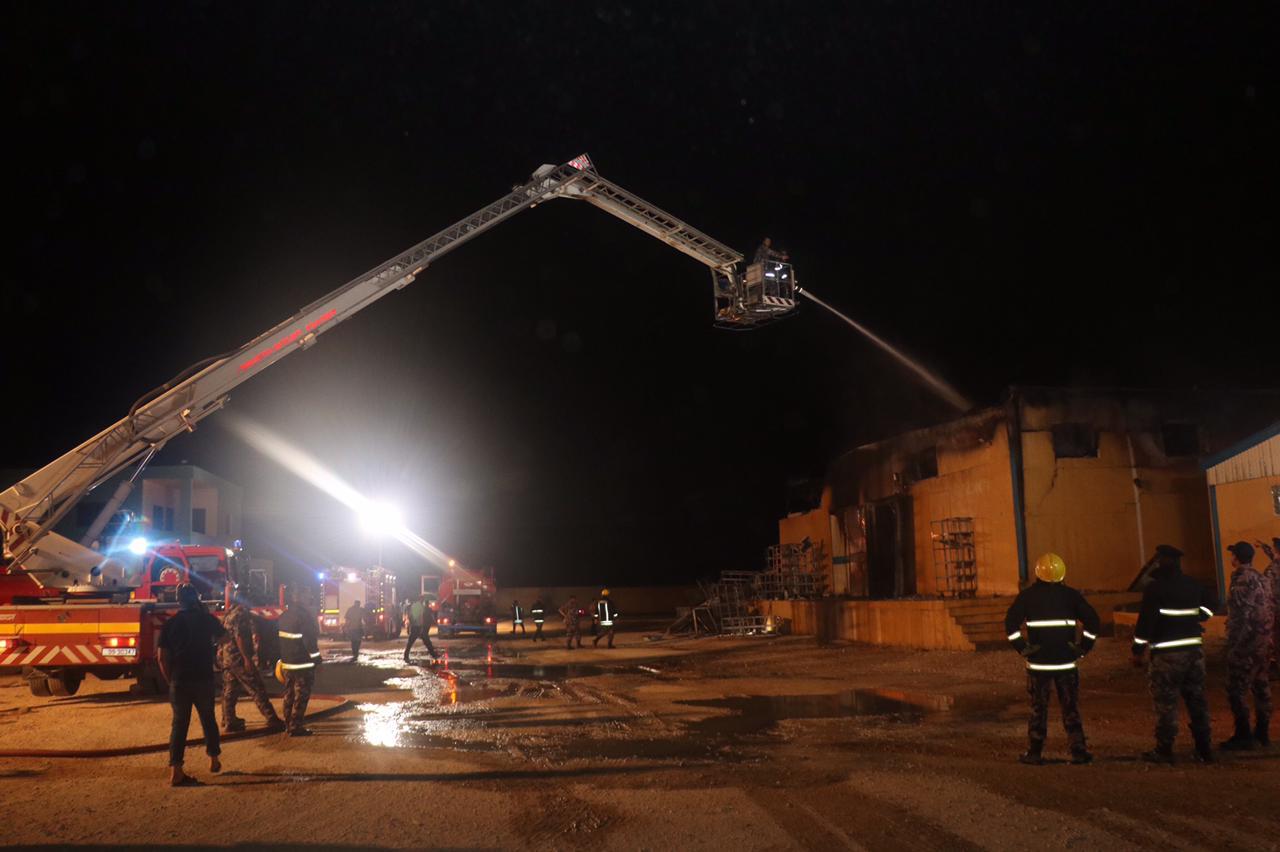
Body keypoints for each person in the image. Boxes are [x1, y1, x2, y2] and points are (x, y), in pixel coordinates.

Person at [1003, 552, 1101, 765]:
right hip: (1066, 663)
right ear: (1062, 574)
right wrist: (1082, 648)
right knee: (1070, 708)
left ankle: (1035, 752)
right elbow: (1093, 622)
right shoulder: (1071, 596)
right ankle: (1079, 751)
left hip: (1039, 664)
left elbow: (1010, 624)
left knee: (1038, 709)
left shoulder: (1027, 597)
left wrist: (1023, 648)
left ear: (1038, 573)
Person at [1130, 544, 1215, 763]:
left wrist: (1137, 650)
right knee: (1197, 701)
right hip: (1194, 653)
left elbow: (1145, 623)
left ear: (1160, 564)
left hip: (1167, 655)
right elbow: (1212, 604)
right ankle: (1204, 748)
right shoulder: (1192, 584)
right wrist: (1198, 616)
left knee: (1166, 703)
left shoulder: (1155, 589)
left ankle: (1164, 749)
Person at [158, 582, 225, 786]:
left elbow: (161, 657)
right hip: (203, 679)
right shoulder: (206, 619)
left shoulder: (170, 624)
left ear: (179, 601)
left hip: (180, 680)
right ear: (196, 599)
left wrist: (171, 680)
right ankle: (214, 759)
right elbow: (226, 637)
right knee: (208, 719)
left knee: (179, 725)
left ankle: (176, 771)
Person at [1221, 542, 1273, 750]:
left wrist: (1237, 646)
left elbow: (1244, 615)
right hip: (1263, 641)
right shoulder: (1261, 577)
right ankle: (1263, 733)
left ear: (1236, 557)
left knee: (1236, 687)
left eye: (1232, 554)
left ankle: (1243, 735)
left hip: (1247, 642)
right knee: (1261, 685)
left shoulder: (1241, 580)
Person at [219, 597, 283, 734]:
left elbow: (222, 635)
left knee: (230, 690)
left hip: (228, 657)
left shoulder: (229, 614)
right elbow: (240, 637)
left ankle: (228, 720)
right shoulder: (241, 614)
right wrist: (246, 658)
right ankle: (271, 718)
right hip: (238, 658)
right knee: (256, 686)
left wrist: (221, 651)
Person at [276, 585, 321, 737]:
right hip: (302, 663)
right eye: (308, 594)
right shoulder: (304, 616)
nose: (310, 597)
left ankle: (288, 723)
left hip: (287, 663)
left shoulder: (284, 616)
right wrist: (317, 659)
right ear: (300, 597)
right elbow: (309, 641)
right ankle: (296, 726)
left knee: (289, 694)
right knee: (301, 695)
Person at [1260, 537, 1280, 677]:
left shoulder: (1272, 569)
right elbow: (1272, 555)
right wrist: (1263, 545)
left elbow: (1264, 588)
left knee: (1273, 638)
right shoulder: (1275, 563)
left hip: (1275, 609)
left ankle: (1275, 667)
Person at [403, 594, 438, 663]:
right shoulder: (421, 607)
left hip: (414, 626)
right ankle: (433, 654)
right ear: (421, 600)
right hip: (419, 626)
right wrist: (422, 626)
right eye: (423, 599)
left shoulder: (413, 606)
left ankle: (406, 655)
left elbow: (410, 615)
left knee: (411, 642)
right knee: (426, 640)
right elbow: (421, 617)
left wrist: (411, 624)